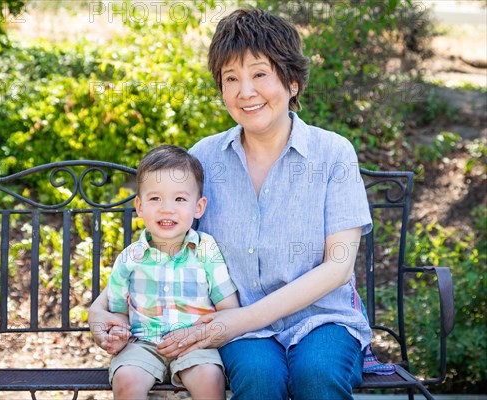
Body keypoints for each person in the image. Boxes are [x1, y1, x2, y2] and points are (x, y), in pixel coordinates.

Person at [90, 8, 392, 400]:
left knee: (316, 375)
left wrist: (232, 323)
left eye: (260, 74)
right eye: (231, 78)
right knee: (258, 378)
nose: (245, 91)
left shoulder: (332, 153)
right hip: (240, 329)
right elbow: (164, 249)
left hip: (322, 320)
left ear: (293, 81)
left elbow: (338, 266)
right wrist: (100, 311)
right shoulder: (205, 159)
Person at [91, 145, 240, 400]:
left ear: (198, 207)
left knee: (209, 378)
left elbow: (229, 308)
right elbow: (118, 312)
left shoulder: (206, 250)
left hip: (195, 343)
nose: (167, 208)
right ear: (139, 206)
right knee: (126, 378)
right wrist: (118, 332)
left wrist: (204, 334)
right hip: (144, 343)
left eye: (180, 199)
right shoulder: (129, 258)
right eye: (155, 198)